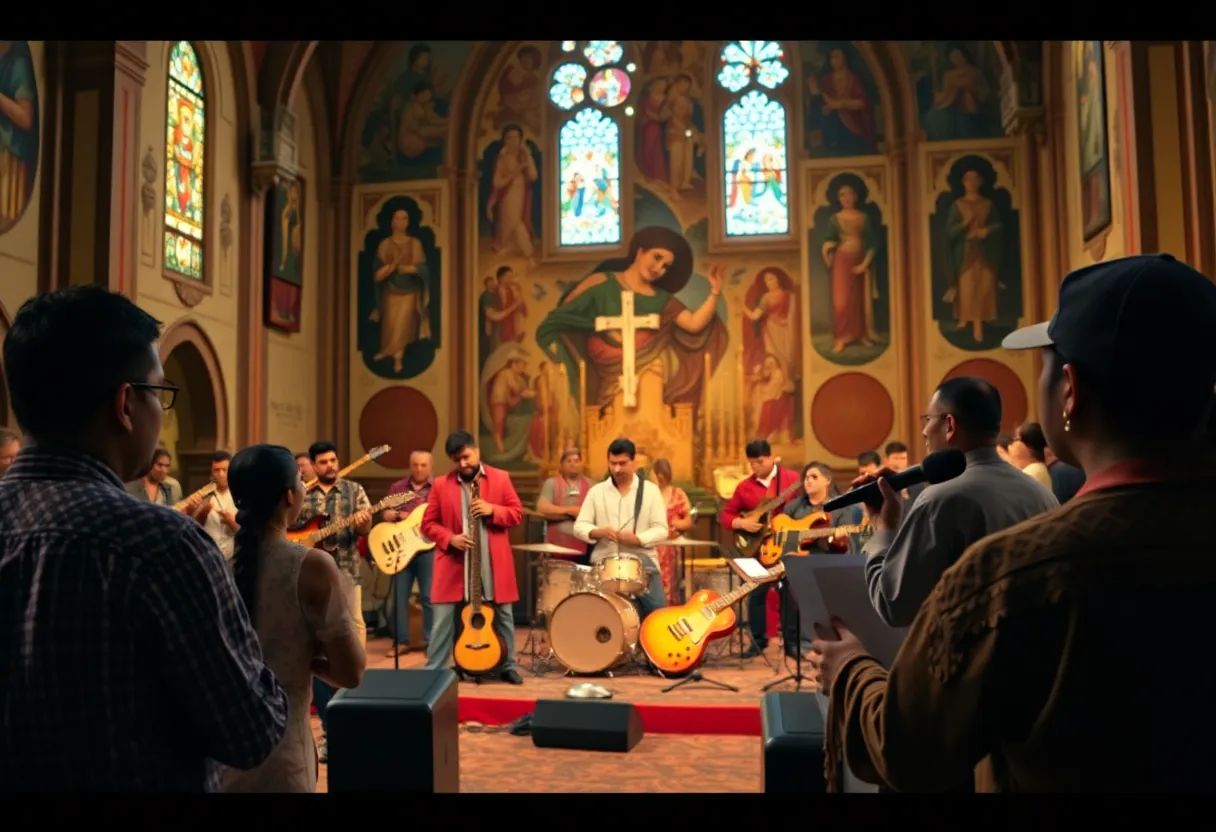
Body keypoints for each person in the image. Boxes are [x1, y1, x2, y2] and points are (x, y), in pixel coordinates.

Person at [809, 253, 1216, 792]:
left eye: (1044, 366)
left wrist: (852, 670)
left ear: (1069, 390)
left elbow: (909, 749)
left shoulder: (1007, 573)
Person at [0, 285, 287, 791]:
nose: (163, 412)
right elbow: (251, 730)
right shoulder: (159, 546)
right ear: (126, 403)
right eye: (161, 393)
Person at [221, 445, 366, 793]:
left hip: (224, 752)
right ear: (290, 495)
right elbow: (351, 672)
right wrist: (308, 657)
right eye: (302, 480)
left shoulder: (215, 562)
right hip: (283, 751)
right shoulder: (311, 565)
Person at [863, 377, 1059, 627]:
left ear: (949, 424)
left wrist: (883, 530)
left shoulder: (939, 501)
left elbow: (894, 606)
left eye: (928, 419)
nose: (924, 431)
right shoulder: (1043, 495)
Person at [421, 430, 524, 684]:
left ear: (476, 450)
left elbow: (516, 513)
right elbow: (428, 524)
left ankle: (507, 666)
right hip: (454, 563)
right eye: (457, 460)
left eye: (466, 457)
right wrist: (450, 538)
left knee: (503, 615)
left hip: (493, 563)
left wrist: (493, 510)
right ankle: (436, 669)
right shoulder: (441, 484)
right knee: (444, 619)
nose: (463, 464)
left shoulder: (501, 478)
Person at [294, 440, 373, 761]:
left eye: (333, 460)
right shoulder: (302, 492)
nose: (330, 465)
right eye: (323, 461)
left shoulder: (354, 491)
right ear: (312, 464)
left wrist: (363, 520)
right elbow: (290, 528)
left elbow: (366, 527)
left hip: (346, 571)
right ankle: (328, 730)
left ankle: (356, 701)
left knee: (351, 633)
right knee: (314, 643)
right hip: (309, 575)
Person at [573, 438, 670, 621]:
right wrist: (597, 532)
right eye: (613, 463)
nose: (617, 469)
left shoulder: (650, 491)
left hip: (642, 562)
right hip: (604, 561)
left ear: (634, 462)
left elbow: (661, 530)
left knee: (658, 616)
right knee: (600, 618)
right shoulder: (597, 492)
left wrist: (638, 539)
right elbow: (579, 527)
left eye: (622, 464)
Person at [720, 439, 800, 658]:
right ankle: (757, 641)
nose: (755, 467)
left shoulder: (791, 479)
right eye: (751, 463)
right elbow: (727, 515)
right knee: (756, 592)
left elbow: (803, 507)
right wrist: (742, 523)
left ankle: (792, 643)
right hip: (758, 548)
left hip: (785, 544)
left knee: (789, 593)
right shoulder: (744, 487)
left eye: (759, 462)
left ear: (771, 457)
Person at [381, 449, 435, 657]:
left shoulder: (437, 488)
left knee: (429, 597)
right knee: (399, 597)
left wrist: (409, 515)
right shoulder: (398, 488)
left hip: (427, 548)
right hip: (401, 549)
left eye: (424, 465)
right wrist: (389, 514)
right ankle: (401, 641)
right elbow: (385, 513)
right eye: (415, 465)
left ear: (430, 466)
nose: (419, 469)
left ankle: (431, 642)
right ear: (410, 466)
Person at [536, 447, 593, 564]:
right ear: (561, 465)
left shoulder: (592, 485)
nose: (573, 464)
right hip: (556, 547)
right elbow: (542, 508)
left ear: (582, 464)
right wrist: (571, 510)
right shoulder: (551, 483)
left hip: (584, 548)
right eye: (569, 461)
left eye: (577, 461)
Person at [653, 457, 692, 603]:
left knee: (672, 588)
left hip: (671, 549)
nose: (661, 477)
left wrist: (679, 524)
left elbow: (688, 521)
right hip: (653, 547)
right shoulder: (649, 494)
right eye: (658, 473)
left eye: (663, 473)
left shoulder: (677, 493)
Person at [195, 449, 239, 561]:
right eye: (216, 470)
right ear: (211, 472)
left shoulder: (240, 495)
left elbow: (250, 533)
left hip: (234, 558)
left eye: (224, 470)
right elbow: (194, 528)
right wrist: (203, 513)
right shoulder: (204, 494)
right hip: (209, 556)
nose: (221, 474)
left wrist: (233, 523)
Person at [1008, 421, 1053, 490]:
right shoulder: (1035, 469)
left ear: (1029, 446)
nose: (1013, 443)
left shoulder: (1033, 472)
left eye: (1017, 439)